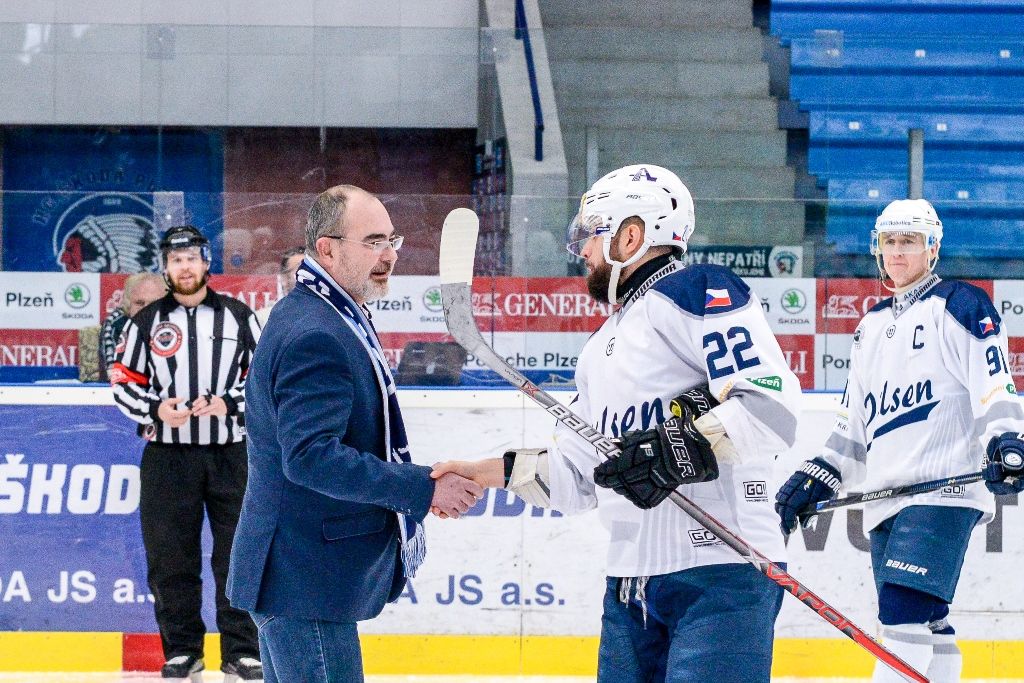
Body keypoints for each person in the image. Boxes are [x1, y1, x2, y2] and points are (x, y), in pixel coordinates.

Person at [432, 164, 801, 683]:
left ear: (632, 235)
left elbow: (771, 407)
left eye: (592, 233)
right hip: (630, 583)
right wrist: (484, 473)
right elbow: (580, 478)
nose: (582, 250)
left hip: (722, 569)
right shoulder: (599, 348)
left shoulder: (696, 290)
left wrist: (675, 450)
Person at [227, 185, 483, 683]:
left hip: (299, 578)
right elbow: (311, 458)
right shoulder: (316, 332)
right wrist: (423, 488)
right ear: (327, 248)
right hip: (303, 579)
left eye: (392, 240)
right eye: (372, 241)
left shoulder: (322, 312)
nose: (388, 255)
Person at [774, 199, 1024, 683]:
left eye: (908, 241)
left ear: (933, 247)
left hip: (943, 490)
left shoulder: (959, 304)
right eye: (888, 241)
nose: (896, 251)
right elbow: (853, 423)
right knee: (926, 619)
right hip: (888, 499)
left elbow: (995, 383)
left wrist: (1005, 439)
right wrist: (819, 473)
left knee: (900, 615)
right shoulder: (870, 326)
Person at [110, 225, 263, 681]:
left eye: (192, 258)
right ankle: (182, 651)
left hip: (230, 453)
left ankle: (241, 650)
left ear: (206, 262)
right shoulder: (145, 322)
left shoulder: (240, 316)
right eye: (177, 260)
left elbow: (262, 378)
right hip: (168, 458)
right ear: (166, 266)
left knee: (237, 554)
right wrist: (156, 409)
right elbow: (122, 379)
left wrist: (229, 403)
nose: (186, 266)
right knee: (171, 556)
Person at [97, 272, 167, 381]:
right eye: (139, 303)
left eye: (154, 303)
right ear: (128, 305)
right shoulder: (115, 324)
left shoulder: (178, 322)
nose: (146, 310)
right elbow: (116, 377)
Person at [255, 246, 305, 327]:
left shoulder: (327, 316)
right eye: (300, 270)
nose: (307, 276)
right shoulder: (264, 319)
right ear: (284, 278)